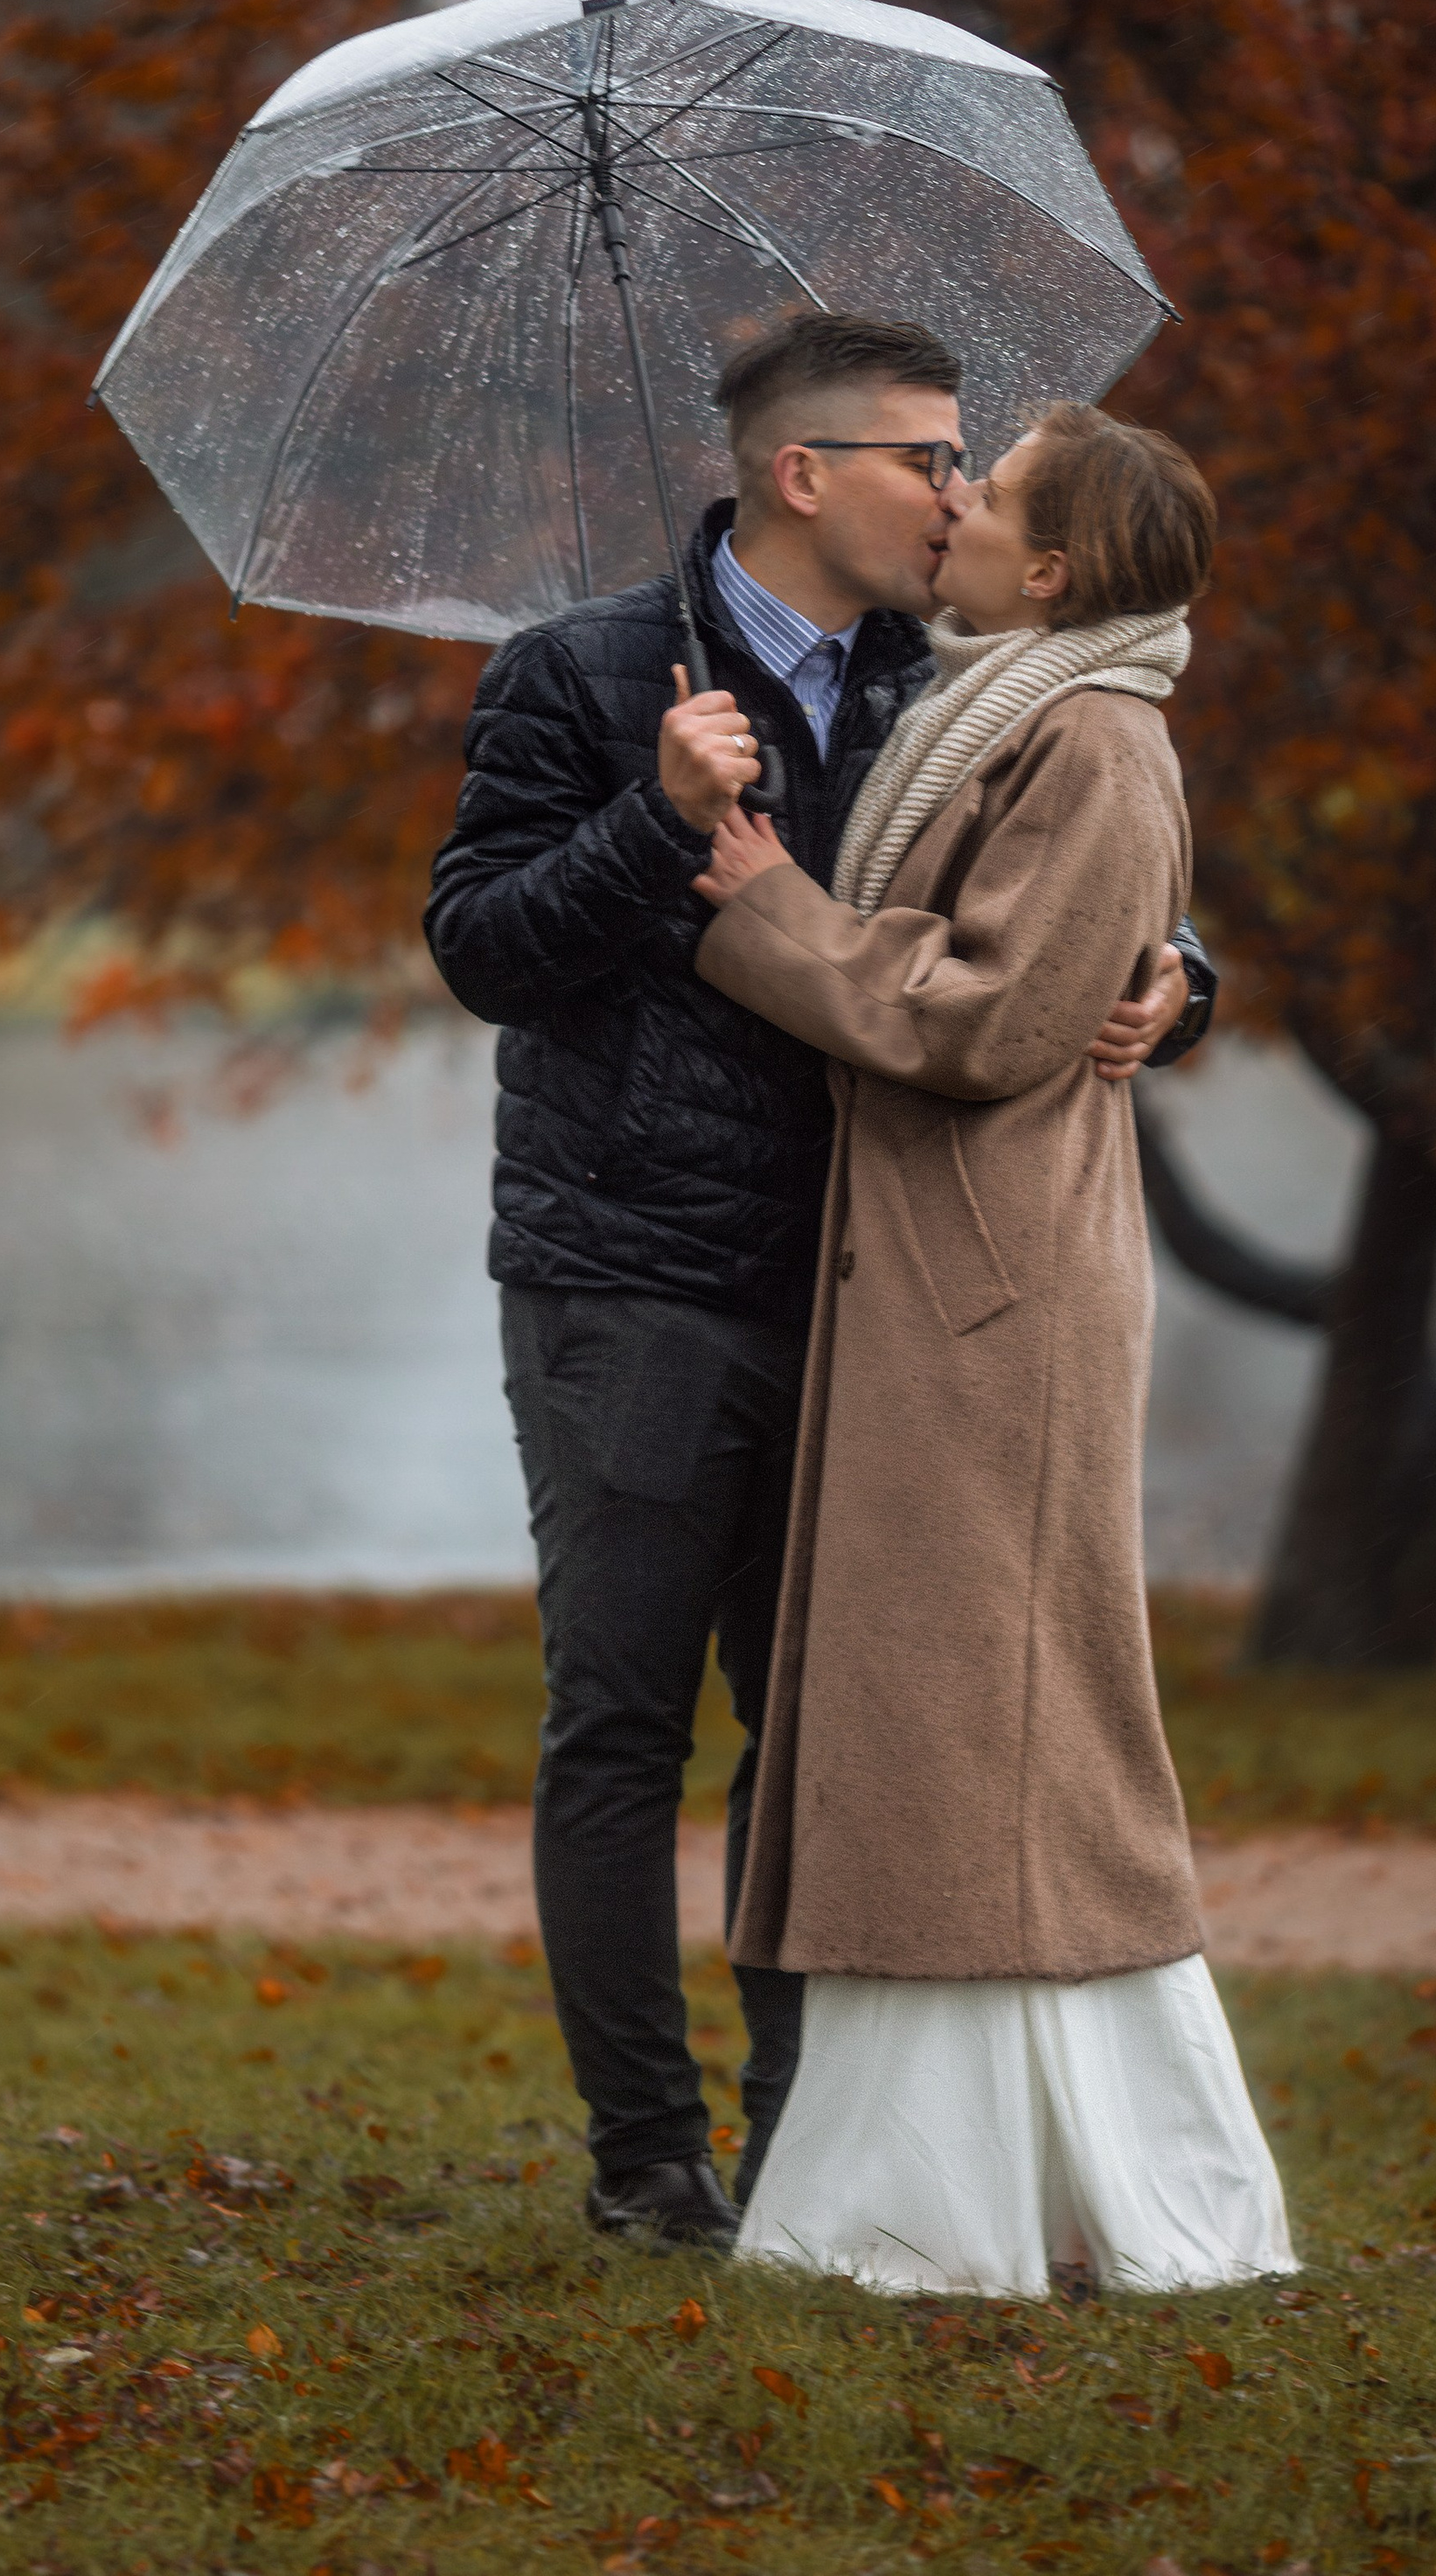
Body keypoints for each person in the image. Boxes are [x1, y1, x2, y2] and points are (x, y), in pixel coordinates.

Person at [423, 315, 1216, 2251]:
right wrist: (651, 818)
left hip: (872, 1306)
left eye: (965, 467)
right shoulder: (582, 675)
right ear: (804, 474)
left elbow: (1076, 896)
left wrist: (1183, 982)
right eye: (924, 460)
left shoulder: (955, 686)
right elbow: (481, 949)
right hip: (626, 1285)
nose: (953, 496)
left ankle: (806, 2156)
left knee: (829, 1735)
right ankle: (648, 2164)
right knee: (617, 1726)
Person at [690, 401, 1293, 2297]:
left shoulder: (1093, 729)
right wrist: (1166, 968)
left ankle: (1006, 2196)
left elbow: (989, 1023)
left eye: (988, 492)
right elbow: (1054, 954)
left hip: (995, 1289)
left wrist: (762, 907)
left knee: (991, 1718)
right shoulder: (998, 696)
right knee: (935, 1721)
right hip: (945, 1274)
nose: (948, 505)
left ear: (1048, 571)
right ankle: (938, 2180)